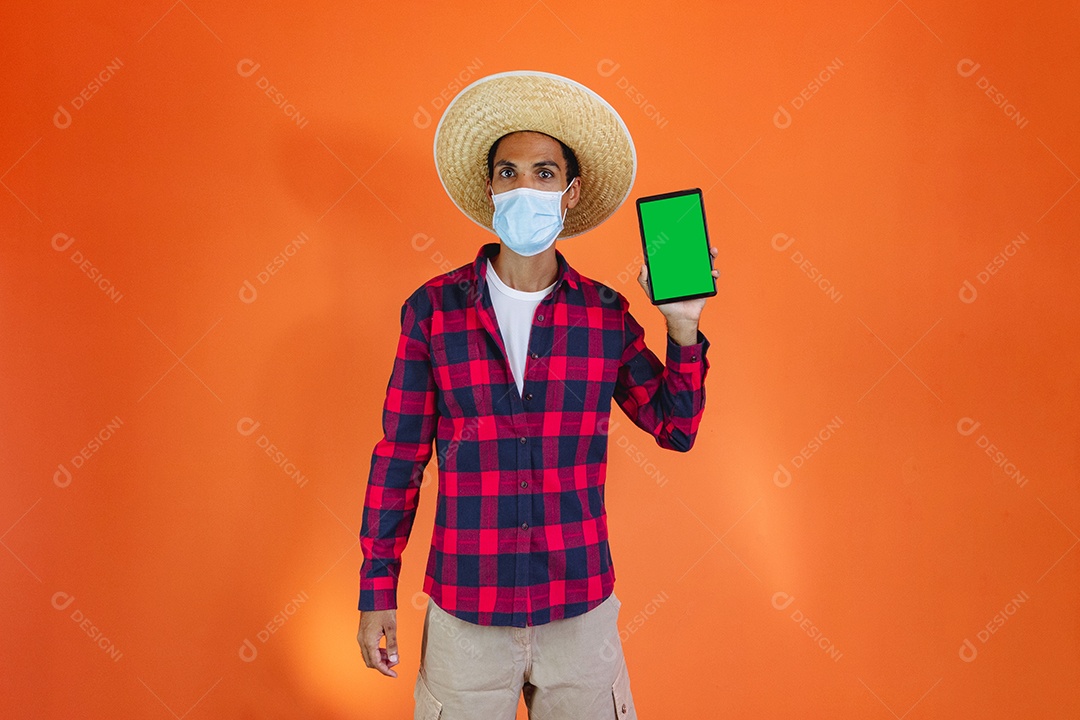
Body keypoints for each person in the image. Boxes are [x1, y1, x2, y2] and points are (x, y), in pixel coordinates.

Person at [356, 70, 718, 720]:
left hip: (579, 614)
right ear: (491, 189)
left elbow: (676, 426)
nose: (526, 187)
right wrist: (376, 587)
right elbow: (399, 458)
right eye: (510, 172)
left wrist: (683, 327)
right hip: (466, 616)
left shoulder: (606, 317)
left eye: (545, 173)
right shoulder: (433, 312)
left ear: (571, 192)